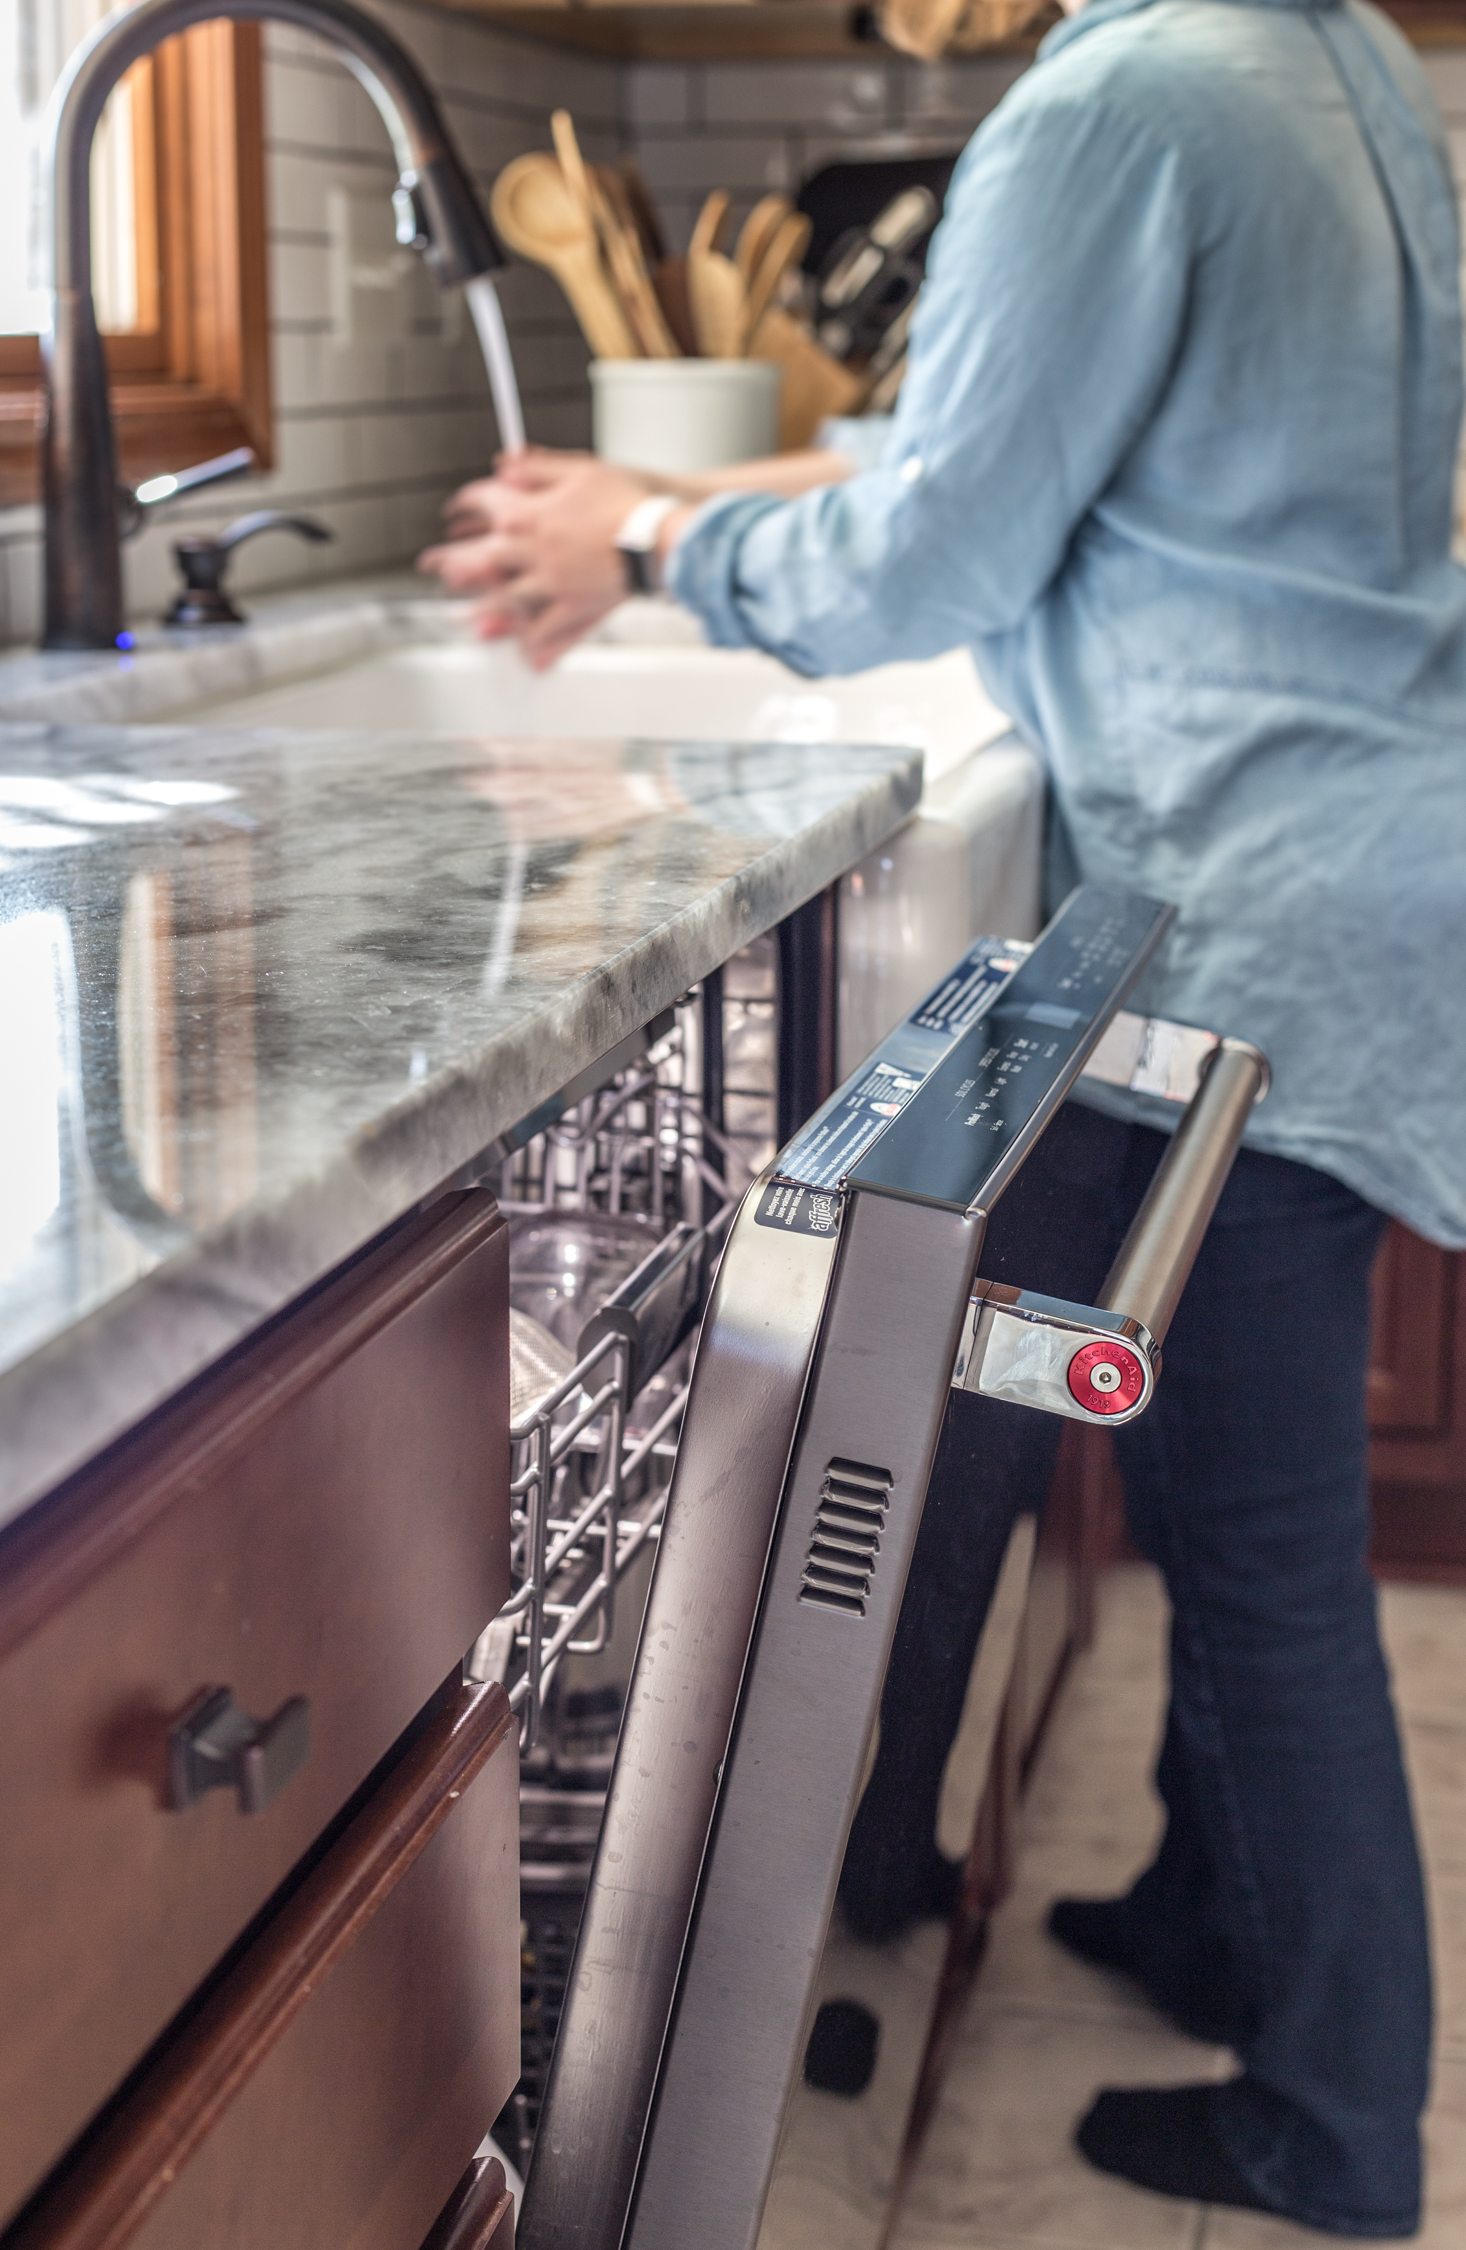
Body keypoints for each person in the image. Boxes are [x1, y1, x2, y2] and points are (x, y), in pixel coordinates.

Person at [420, 0, 1466, 2233]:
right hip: (1359, 856)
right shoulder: (1335, 64)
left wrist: (655, 550)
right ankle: (1208, 1919)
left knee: (1261, 1548)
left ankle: (1338, 2117)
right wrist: (692, 503)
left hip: (1248, 888)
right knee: (1216, 1506)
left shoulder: (1119, 101)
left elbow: (932, 555)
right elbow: (1033, 457)